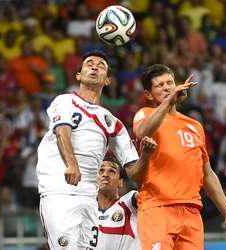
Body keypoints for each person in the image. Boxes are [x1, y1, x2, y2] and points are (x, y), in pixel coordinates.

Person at [36, 51, 146, 250]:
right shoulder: (65, 101)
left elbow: (133, 170)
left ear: (108, 80)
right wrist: (71, 164)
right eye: (89, 64)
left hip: (90, 198)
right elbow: (63, 132)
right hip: (60, 191)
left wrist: (146, 157)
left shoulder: (113, 123)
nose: (94, 67)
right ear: (78, 75)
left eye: (101, 65)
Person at [132, 64, 226, 250]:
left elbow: (207, 175)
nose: (167, 87)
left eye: (170, 82)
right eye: (160, 85)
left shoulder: (194, 126)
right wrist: (168, 102)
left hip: (191, 211)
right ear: (148, 94)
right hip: (158, 208)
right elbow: (143, 131)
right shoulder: (145, 114)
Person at [97, 137, 157, 250]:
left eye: (112, 171)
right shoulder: (88, 210)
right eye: (101, 170)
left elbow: (148, 191)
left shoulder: (129, 202)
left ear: (120, 182)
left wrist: (145, 157)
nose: (105, 174)